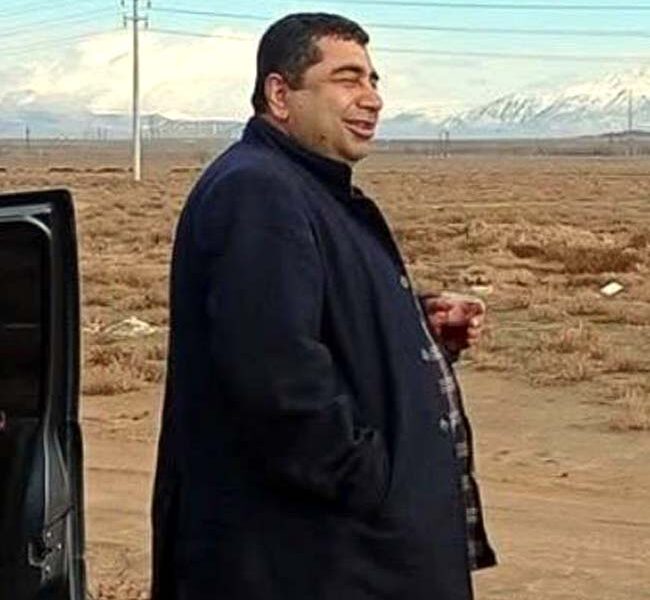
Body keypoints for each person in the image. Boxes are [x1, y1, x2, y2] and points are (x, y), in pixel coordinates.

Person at [151, 12, 496, 600]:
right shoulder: (258, 191)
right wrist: (372, 481)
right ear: (280, 94)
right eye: (347, 79)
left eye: (373, 80)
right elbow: (275, 379)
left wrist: (415, 326)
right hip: (310, 560)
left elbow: (304, 319)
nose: (372, 99)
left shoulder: (306, 189)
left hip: (337, 553)